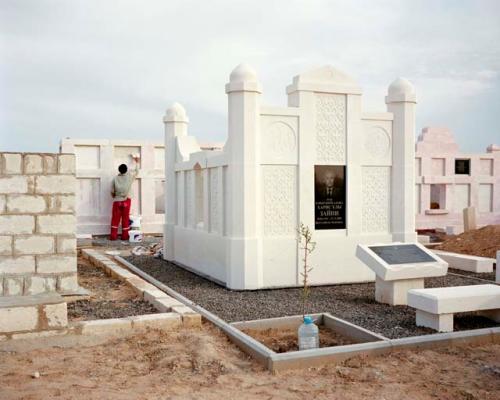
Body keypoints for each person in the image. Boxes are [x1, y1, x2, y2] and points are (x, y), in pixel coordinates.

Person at [110, 155, 140, 240]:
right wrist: (137, 162)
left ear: (119, 170)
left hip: (117, 201)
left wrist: (116, 197)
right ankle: (124, 236)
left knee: (115, 219)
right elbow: (137, 171)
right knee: (125, 218)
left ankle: (113, 236)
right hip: (126, 201)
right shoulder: (129, 177)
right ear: (126, 170)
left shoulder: (115, 179)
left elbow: (112, 192)